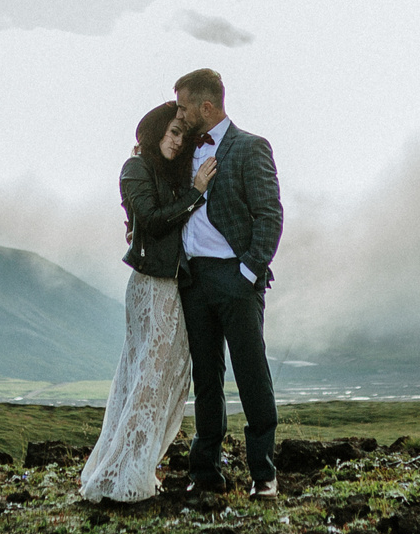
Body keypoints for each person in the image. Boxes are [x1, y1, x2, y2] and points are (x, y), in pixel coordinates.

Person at [78, 101, 214, 502]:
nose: (177, 141)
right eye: (173, 131)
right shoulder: (135, 168)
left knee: (163, 378)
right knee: (145, 379)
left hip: (172, 286)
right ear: (155, 130)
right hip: (150, 286)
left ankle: (136, 464)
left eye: (182, 135)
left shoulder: (166, 171)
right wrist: (195, 194)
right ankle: (119, 473)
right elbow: (153, 221)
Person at [172, 67, 284, 495]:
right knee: (206, 379)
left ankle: (264, 474)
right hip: (194, 280)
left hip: (235, 278)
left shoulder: (251, 147)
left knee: (251, 373)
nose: (179, 116)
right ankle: (205, 475)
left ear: (207, 106)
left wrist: (248, 272)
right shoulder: (184, 150)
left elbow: (269, 216)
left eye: (184, 107)